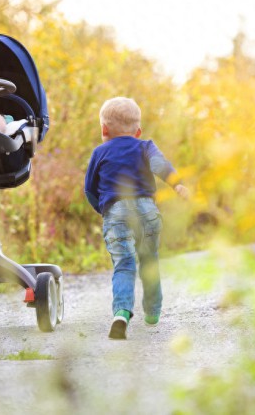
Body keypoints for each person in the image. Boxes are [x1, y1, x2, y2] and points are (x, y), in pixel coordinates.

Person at [84, 97, 189, 339]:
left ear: (104, 129)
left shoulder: (99, 152)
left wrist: (104, 210)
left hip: (116, 211)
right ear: (138, 131)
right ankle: (152, 312)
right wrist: (178, 185)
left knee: (124, 264)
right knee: (149, 261)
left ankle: (121, 312)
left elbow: (90, 189)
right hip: (147, 211)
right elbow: (160, 165)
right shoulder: (145, 146)